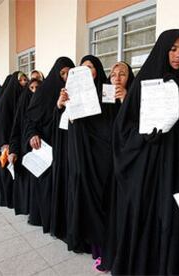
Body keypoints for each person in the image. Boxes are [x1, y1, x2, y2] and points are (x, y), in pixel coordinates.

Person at [110, 29, 179, 275]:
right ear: (162, 50)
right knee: (145, 214)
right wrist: (142, 136)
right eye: (173, 49)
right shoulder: (143, 82)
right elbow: (123, 128)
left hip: (177, 162)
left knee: (171, 217)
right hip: (147, 164)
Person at [61, 55, 115, 263]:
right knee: (82, 192)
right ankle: (85, 239)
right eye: (82, 69)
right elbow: (67, 122)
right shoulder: (72, 93)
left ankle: (102, 241)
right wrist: (62, 104)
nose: (86, 72)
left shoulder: (107, 89)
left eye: (90, 67)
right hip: (80, 151)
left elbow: (113, 118)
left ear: (98, 70)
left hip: (102, 151)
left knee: (100, 193)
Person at [25, 57, 75, 232]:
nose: (66, 76)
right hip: (46, 144)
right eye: (62, 73)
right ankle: (45, 218)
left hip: (66, 144)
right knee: (46, 185)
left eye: (70, 72)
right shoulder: (43, 91)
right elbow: (30, 119)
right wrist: (33, 134)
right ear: (56, 74)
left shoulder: (76, 90)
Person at [98, 61, 134, 272]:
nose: (117, 78)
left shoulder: (133, 98)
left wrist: (126, 100)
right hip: (107, 162)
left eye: (123, 74)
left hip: (126, 164)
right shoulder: (103, 102)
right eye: (113, 74)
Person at [8, 78, 42, 215]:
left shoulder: (44, 102)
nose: (35, 91)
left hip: (40, 149)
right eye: (32, 88)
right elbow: (15, 130)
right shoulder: (23, 105)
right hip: (25, 149)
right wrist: (13, 150)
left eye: (37, 87)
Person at [0, 71, 28, 207]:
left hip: (19, 140)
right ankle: (9, 200)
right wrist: (5, 144)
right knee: (9, 172)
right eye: (21, 81)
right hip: (9, 142)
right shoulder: (6, 101)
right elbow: (2, 124)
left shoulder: (24, 96)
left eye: (25, 80)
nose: (24, 83)